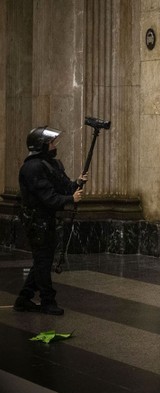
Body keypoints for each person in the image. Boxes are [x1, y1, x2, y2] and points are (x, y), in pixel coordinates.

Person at [15, 126, 87, 315]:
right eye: (51, 143)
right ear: (41, 146)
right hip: (37, 222)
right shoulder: (32, 168)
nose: (54, 146)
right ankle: (47, 301)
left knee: (42, 261)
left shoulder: (50, 164)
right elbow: (47, 197)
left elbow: (63, 187)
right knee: (43, 261)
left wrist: (76, 184)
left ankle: (24, 299)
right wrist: (71, 199)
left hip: (48, 220)